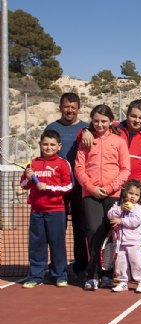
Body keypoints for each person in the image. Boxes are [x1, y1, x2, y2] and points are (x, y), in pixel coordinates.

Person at [75, 105, 131, 291]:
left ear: (110, 122)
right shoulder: (85, 140)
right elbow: (79, 168)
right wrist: (91, 188)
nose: (100, 124)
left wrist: (108, 188)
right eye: (96, 121)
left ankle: (108, 274)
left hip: (112, 194)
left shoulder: (119, 141)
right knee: (93, 232)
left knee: (110, 234)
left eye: (104, 121)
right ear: (92, 120)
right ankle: (92, 275)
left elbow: (125, 170)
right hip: (90, 195)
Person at [44, 93, 88, 282]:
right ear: (60, 107)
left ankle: (81, 268)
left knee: (81, 230)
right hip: (57, 190)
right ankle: (56, 269)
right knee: (56, 231)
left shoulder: (87, 128)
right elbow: (45, 156)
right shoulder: (51, 128)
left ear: (79, 108)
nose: (69, 110)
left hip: (79, 188)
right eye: (66, 106)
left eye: (73, 107)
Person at [20, 130, 73, 288]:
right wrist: (28, 177)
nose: (48, 148)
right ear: (40, 145)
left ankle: (60, 275)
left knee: (57, 243)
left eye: (52, 145)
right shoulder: (33, 164)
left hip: (56, 211)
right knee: (37, 244)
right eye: (45, 144)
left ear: (59, 146)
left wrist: (48, 187)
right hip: (36, 211)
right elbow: (23, 185)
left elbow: (69, 186)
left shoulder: (63, 163)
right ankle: (36, 275)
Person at [82, 100, 141, 182]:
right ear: (127, 115)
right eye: (133, 116)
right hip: (112, 185)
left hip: (136, 190)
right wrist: (86, 131)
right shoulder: (114, 127)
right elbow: (95, 128)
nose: (137, 120)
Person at [108, 180, 141, 293]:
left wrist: (121, 220)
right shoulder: (118, 205)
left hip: (133, 241)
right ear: (125, 193)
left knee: (136, 262)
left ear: (140, 197)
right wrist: (120, 209)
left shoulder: (138, 208)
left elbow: (136, 221)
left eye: (136, 195)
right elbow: (110, 214)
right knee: (120, 263)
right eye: (131, 193)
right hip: (119, 241)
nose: (133, 197)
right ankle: (123, 282)